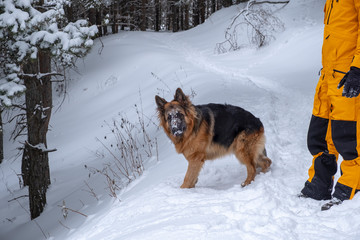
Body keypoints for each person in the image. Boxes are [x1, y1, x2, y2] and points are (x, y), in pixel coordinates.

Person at [300, 0, 360, 210]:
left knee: (348, 137)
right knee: (319, 134)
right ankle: (320, 183)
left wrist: (358, 68)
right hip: (329, 75)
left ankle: (351, 190)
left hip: (348, 75)